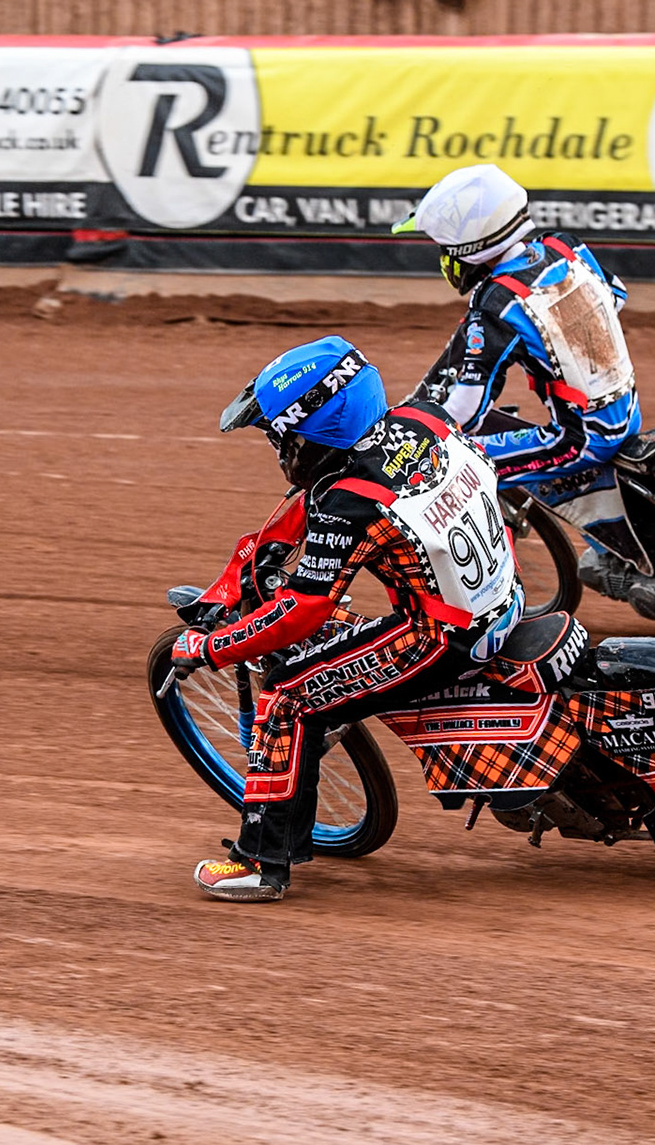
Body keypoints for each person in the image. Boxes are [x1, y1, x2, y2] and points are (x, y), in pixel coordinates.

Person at [171, 335, 525, 901]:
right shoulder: (423, 420)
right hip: (506, 597)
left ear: (316, 430)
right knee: (339, 646)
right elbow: (308, 509)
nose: (279, 451)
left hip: (443, 637)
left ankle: (262, 864)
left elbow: (303, 610)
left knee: (289, 698)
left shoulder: (350, 502)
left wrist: (212, 649)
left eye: (280, 437)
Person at [393, 165, 645, 573]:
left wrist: (425, 436)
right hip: (627, 407)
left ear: (465, 248)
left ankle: (496, 583)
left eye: (443, 248)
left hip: (581, 438)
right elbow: (615, 296)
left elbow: (467, 410)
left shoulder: (495, 304)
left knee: (464, 467)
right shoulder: (564, 247)